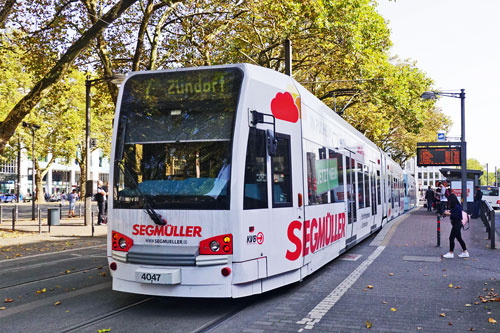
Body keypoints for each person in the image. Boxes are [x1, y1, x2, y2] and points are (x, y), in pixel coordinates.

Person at [443, 193, 469, 258]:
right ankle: (465, 252)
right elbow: (454, 212)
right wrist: (450, 212)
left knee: (451, 238)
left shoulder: (457, 207)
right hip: (457, 224)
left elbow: (457, 216)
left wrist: (449, 214)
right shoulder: (456, 206)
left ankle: (451, 253)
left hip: (457, 224)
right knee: (459, 238)